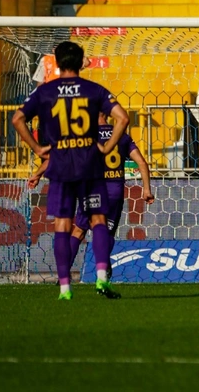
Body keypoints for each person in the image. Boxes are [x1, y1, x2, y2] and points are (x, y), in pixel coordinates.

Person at [12, 41, 129, 300]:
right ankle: (101, 279)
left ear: (56, 61)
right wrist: (108, 145)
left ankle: (65, 287)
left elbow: (17, 119)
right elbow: (123, 118)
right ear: (81, 61)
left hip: (61, 166)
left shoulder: (45, 91)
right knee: (98, 220)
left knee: (64, 225)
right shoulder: (94, 90)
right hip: (89, 163)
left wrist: (38, 148)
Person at [28, 112, 155, 292]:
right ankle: (103, 272)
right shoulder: (122, 136)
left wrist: (38, 174)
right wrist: (146, 189)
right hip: (114, 192)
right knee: (106, 233)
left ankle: (63, 277)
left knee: (79, 231)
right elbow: (141, 162)